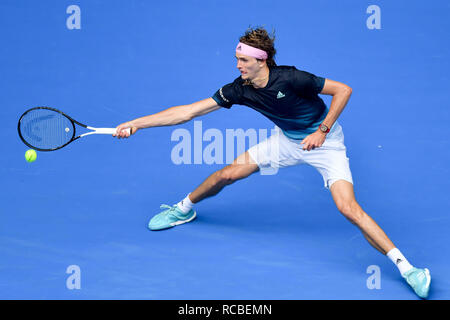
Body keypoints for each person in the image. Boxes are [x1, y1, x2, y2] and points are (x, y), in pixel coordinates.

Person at [113, 27, 431, 299]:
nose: (237, 65)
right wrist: (137, 123)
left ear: (261, 60)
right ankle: (183, 208)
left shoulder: (292, 78)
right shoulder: (239, 89)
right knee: (227, 174)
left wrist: (323, 131)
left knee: (348, 208)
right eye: (237, 59)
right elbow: (188, 112)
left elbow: (343, 90)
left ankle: (408, 269)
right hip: (286, 141)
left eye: (243, 60)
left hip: (326, 144)